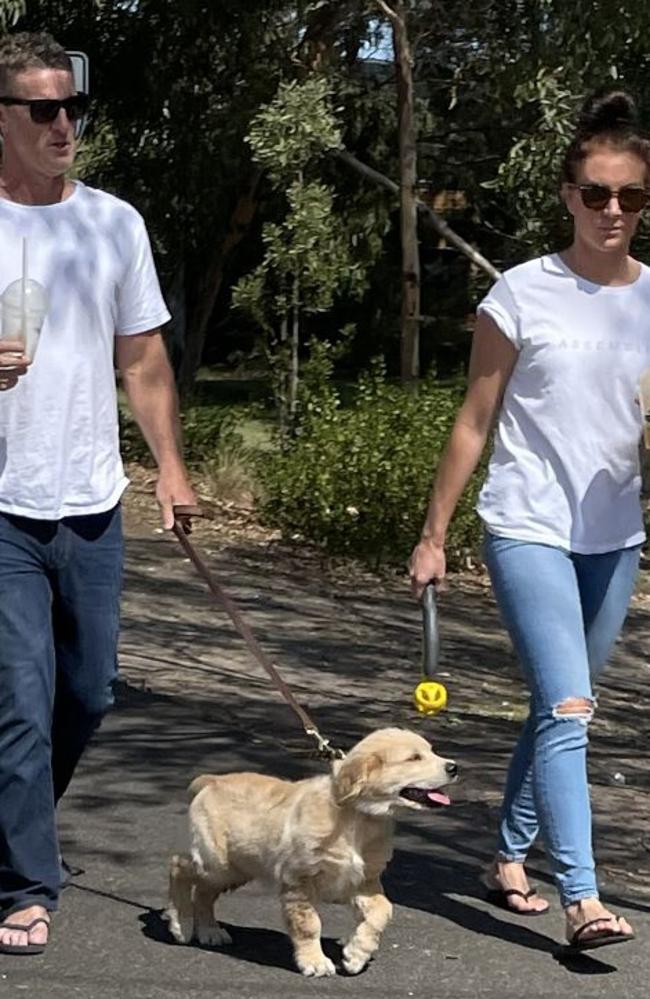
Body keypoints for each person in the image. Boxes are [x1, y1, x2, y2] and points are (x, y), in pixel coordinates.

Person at [409, 88, 649, 951]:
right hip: (527, 522)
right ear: (568, 194)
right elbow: (474, 419)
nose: (612, 211)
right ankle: (583, 895)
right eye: (596, 194)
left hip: (615, 534)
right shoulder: (521, 293)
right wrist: (435, 533)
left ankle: (506, 855)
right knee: (573, 705)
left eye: (630, 196)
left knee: (557, 704)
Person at [0, 31, 196, 954]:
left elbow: (143, 355)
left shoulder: (114, 223)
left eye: (71, 106)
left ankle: (13, 819)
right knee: (20, 702)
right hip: (1, 507)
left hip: (90, 501)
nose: (63, 123)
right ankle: (27, 882)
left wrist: (174, 469)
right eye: (42, 109)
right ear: (4, 120)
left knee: (88, 690)